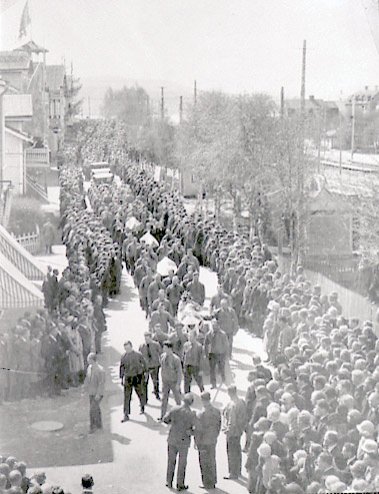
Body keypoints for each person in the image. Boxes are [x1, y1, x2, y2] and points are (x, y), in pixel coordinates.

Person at [163, 393, 196, 491]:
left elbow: (165, 419)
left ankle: (169, 481)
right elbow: (195, 429)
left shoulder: (174, 409)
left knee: (171, 461)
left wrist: (172, 423)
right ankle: (180, 484)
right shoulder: (191, 414)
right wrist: (191, 432)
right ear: (191, 403)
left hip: (172, 438)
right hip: (184, 441)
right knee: (182, 463)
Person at [195, 391, 222, 490]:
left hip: (203, 441)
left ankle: (206, 483)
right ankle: (213, 481)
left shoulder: (201, 413)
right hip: (212, 439)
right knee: (212, 460)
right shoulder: (217, 411)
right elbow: (219, 425)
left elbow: (198, 430)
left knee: (204, 462)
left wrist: (196, 442)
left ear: (202, 400)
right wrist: (215, 435)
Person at [222, 385, 247, 480]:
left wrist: (228, 430)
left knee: (231, 452)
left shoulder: (232, 404)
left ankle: (232, 472)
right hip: (239, 431)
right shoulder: (241, 402)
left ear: (229, 393)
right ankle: (238, 470)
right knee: (237, 451)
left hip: (232, 432)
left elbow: (232, 420)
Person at [119, 341, 147, 422]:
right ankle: (126, 414)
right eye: (125, 348)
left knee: (140, 393)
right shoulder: (123, 356)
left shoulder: (138, 355)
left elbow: (144, 364)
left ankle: (142, 406)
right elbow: (122, 367)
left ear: (131, 346)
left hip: (137, 377)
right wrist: (121, 378)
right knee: (127, 396)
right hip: (128, 377)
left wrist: (145, 373)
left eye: (128, 348)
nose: (127, 350)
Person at [159, 341, 182, 420]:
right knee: (164, 399)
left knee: (177, 399)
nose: (163, 349)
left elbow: (179, 373)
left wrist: (178, 384)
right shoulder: (162, 356)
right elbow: (162, 369)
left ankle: (180, 415)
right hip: (165, 382)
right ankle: (162, 415)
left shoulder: (176, 359)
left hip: (173, 382)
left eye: (165, 348)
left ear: (169, 348)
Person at [203, 321, 229, 389]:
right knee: (212, 370)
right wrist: (206, 354)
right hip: (212, 354)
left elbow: (226, 345)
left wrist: (226, 355)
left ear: (218, 326)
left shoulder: (223, 334)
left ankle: (224, 380)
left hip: (221, 354)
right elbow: (205, 344)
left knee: (221, 368)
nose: (214, 327)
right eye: (213, 326)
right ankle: (213, 384)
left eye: (216, 325)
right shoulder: (209, 334)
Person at [84, 352, 105, 434]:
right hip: (91, 392)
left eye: (89, 359)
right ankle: (99, 425)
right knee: (96, 408)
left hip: (97, 393)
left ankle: (92, 427)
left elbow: (101, 383)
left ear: (93, 360)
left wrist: (98, 394)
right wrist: (85, 387)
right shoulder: (89, 368)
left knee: (92, 410)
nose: (87, 361)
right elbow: (87, 378)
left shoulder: (100, 370)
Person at [139, 332, 162, 400]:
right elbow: (139, 356)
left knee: (155, 380)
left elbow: (161, 353)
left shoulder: (156, 344)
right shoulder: (142, 346)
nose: (146, 340)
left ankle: (156, 392)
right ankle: (145, 398)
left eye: (148, 338)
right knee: (145, 382)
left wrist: (160, 361)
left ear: (151, 338)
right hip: (146, 367)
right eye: (145, 338)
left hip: (155, 365)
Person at [182, 330, 204, 394]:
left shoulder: (199, 346)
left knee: (199, 381)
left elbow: (201, 359)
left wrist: (201, 369)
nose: (190, 338)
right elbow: (183, 356)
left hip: (195, 366)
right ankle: (187, 395)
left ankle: (203, 393)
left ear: (195, 337)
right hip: (187, 366)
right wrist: (183, 366)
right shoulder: (186, 345)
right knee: (186, 382)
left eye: (191, 337)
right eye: (189, 336)